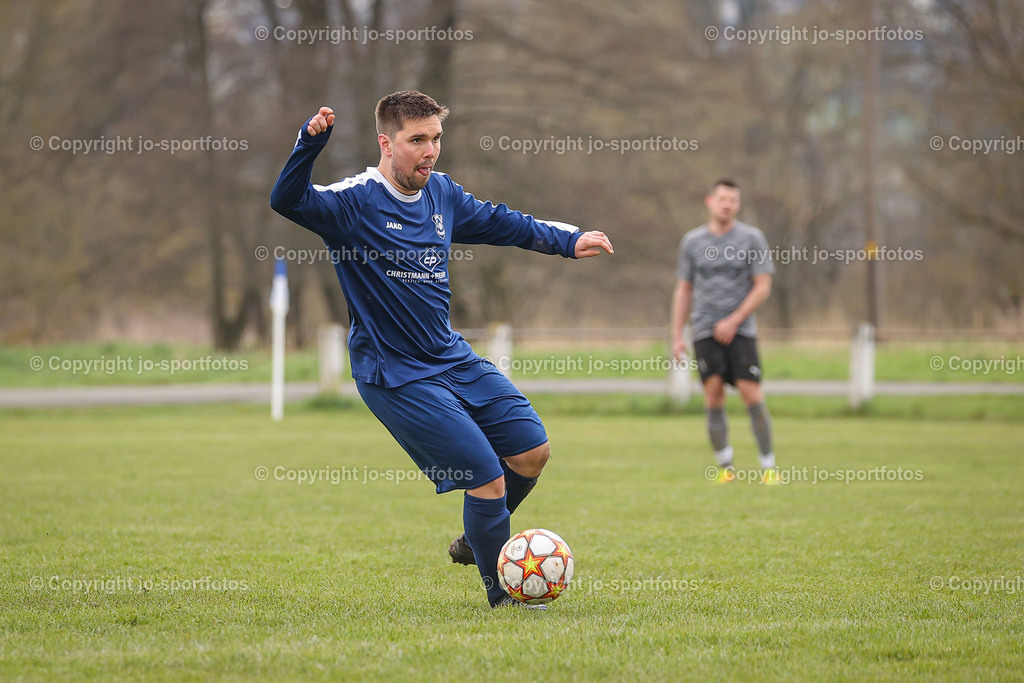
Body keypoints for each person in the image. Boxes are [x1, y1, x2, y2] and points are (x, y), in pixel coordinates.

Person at [270, 91, 614, 608]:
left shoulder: (442, 195)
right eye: (417, 140)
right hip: (394, 372)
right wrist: (307, 146)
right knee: (487, 478)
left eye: (436, 138)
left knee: (531, 451)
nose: (430, 151)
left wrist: (567, 241)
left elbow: (503, 222)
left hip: (449, 355)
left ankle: (478, 543)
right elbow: (287, 200)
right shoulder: (353, 201)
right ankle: (507, 598)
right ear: (386, 143)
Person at [670, 178, 778, 484]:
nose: (727, 204)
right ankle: (725, 468)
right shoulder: (692, 242)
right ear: (710, 201)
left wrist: (734, 319)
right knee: (713, 394)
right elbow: (684, 289)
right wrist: (678, 335)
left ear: (738, 205)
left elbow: (763, 286)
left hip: (741, 330)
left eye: (733, 200)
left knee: (751, 393)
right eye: (722, 199)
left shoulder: (752, 238)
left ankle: (768, 467)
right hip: (704, 329)